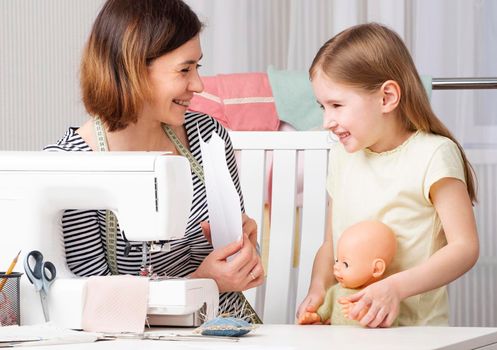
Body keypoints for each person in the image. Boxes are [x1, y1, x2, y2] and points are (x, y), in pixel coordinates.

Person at [44, 0, 264, 321]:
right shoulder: (72, 166)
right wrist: (201, 283)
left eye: (197, 67)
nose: (199, 85)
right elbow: (91, 306)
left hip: (226, 326)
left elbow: (239, 264)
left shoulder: (207, 136)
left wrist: (245, 253)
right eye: (184, 69)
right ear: (132, 69)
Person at [297, 22, 479, 327]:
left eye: (337, 105)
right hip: (348, 332)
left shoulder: (433, 154)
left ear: (387, 98)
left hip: (416, 334)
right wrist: (318, 289)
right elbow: (331, 244)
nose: (327, 120)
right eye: (322, 106)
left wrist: (395, 288)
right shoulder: (343, 156)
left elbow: (465, 248)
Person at [298, 220, 397, 326]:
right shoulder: (335, 290)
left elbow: (382, 318)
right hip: (335, 338)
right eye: (337, 260)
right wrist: (316, 316)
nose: (336, 267)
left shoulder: (379, 295)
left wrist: (362, 313)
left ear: (376, 269)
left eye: (345, 264)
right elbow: (325, 310)